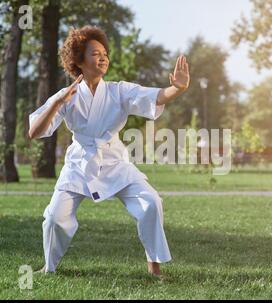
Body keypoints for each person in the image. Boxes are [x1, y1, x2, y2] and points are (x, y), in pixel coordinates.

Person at [28, 25, 190, 278]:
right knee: (54, 217)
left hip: (115, 163)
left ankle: (154, 267)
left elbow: (156, 97)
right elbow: (35, 132)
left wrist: (177, 89)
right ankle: (49, 267)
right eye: (95, 53)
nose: (103, 57)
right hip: (79, 165)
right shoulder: (66, 95)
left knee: (151, 203)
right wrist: (58, 104)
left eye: (105, 53)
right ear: (79, 60)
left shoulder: (119, 91)